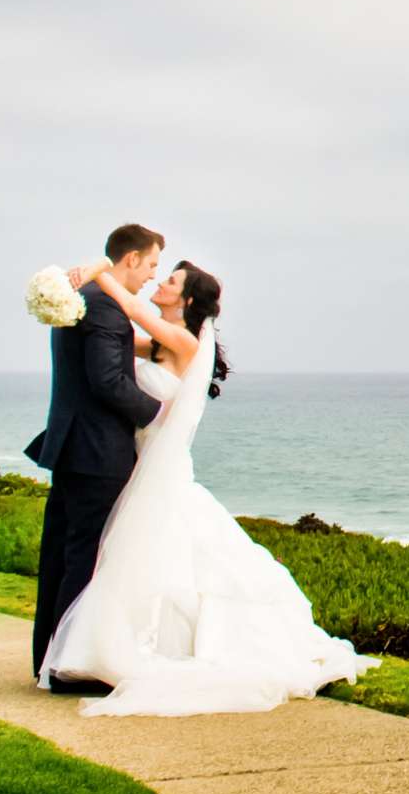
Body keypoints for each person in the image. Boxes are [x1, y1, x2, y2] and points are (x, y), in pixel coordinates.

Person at [34, 252, 373, 715]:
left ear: (187, 298)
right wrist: (66, 309)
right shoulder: (162, 342)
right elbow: (113, 343)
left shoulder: (182, 341)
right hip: (144, 465)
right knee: (142, 556)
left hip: (160, 468)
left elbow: (131, 314)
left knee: (161, 553)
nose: (159, 282)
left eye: (169, 280)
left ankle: (147, 647)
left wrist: (98, 271)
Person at [25, 222, 167, 688]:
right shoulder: (104, 307)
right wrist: (161, 415)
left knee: (63, 558)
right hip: (97, 453)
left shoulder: (84, 298)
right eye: (150, 264)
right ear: (129, 259)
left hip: (70, 447)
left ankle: (48, 659)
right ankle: (68, 667)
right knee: (86, 559)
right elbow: (109, 382)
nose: (150, 275)